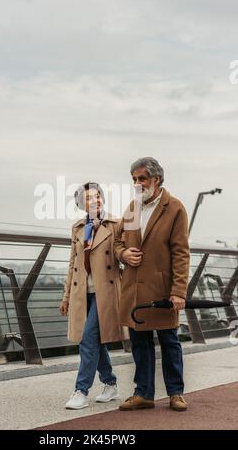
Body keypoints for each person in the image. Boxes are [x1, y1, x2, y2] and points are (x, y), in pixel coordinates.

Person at [114, 157, 190, 412]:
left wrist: (179, 291)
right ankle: (143, 394)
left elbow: (181, 252)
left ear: (156, 179)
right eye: (134, 179)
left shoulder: (175, 208)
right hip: (135, 290)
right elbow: (116, 242)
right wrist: (123, 254)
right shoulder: (132, 209)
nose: (137, 183)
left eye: (142, 178)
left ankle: (175, 393)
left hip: (162, 290)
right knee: (140, 343)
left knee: (169, 342)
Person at [60, 182, 123, 410]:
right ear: (81, 204)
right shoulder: (78, 228)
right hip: (82, 292)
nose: (95, 201)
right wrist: (66, 296)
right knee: (96, 340)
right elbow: (72, 264)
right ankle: (110, 383)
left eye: (97, 196)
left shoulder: (116, 224)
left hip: (105, 292)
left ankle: (81, 390)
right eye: (89, 198)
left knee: (88, 339)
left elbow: (122, 254)